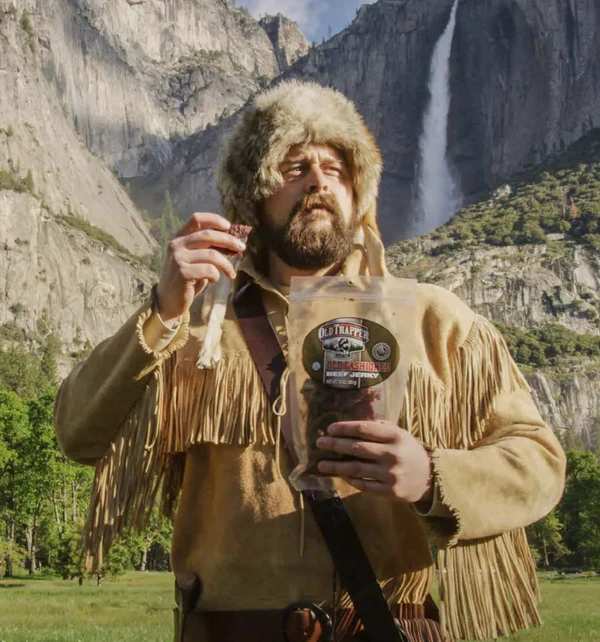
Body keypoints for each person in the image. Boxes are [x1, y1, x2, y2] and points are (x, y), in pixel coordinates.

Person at [54, 80, 566, 642]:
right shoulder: (193, 327)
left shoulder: (436, 321)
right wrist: (163, 308)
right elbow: (78, 434)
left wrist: (433, 478)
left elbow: (539, 462)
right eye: (295, 166)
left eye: (337, 169)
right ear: (252, 194)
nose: (320, 181)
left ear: (359, 193)